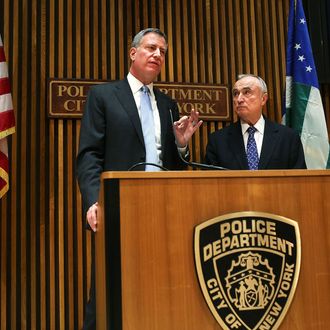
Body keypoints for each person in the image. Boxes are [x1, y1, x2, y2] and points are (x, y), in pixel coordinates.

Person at [76, 28, 202, 329]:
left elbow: (173, 165)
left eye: (163, 51)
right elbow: (89, 155)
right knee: (110, 292)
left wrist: (181, 144)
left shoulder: (167, 104)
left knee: (161, 290)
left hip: (163, 210)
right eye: (151, 48)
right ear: (133, 53)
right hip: (119, 207)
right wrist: (95, 200)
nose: (158, 54)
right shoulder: (104, 96)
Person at [205, 74, 306, 169]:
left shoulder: (288, 138)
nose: (239, 99)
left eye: (247, 92)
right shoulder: (218, 141)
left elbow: (300, 181)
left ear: (263, 99)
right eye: (236, 94)